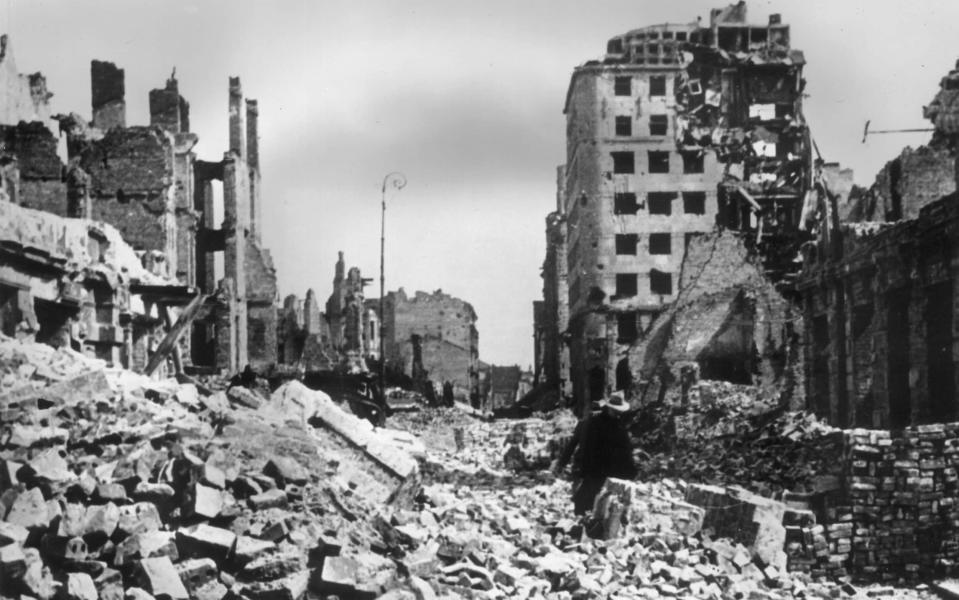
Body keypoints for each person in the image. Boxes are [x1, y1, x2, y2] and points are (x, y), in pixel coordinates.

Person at [553, 392, 636, 515]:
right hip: (593, 468)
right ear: (608, 408)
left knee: (596, 500)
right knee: (586, 498)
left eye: (618, 412)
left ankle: (589, 522)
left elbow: (625, 450)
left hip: (601, 469)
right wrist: (562, 463)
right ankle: (584, 523)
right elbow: (574, 443)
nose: (617, 414)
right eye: (615, 411)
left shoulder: (617, 426)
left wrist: (631, 470)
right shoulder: (595, 423)